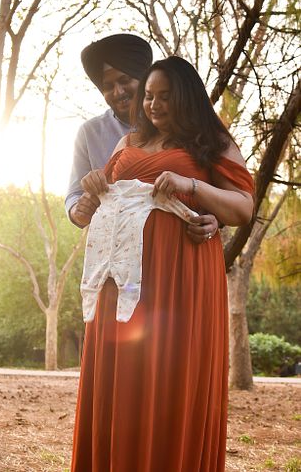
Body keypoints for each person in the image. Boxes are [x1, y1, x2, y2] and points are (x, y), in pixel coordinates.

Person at [71, 56, 254, 472]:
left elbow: (243, 207)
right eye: (149, 96)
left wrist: (193, 186)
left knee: (171, 378)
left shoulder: (212, 142)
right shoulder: (127, 143)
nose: (154, 105)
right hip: (120, 284)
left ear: (186, 97)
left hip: (180, 281)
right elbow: (96, 204)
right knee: (122, 382)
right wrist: (89, 194)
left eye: (165, 96)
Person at [66, 33, 219, 242]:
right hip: (117, 248)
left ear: (145, 80)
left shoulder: (182, 124)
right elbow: (75, 195)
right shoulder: (90, 132)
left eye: (125, 80)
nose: (118, 92)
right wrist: (78, 212)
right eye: (108, 87)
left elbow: (223, 191)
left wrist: (215, 219)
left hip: (179, 244)